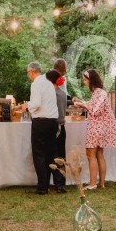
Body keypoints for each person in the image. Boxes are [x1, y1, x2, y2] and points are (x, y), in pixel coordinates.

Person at [73, 69, 116, 190]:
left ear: (91, 80)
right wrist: (81, 102)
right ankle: (101, 183)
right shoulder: (98, 93)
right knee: (99, 154)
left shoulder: (99, 93)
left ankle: (93, 183)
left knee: (91, 154)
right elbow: (93, 105)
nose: (84, 82)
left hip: (97, 127)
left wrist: (82, 105)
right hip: (100, 128)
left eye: (85, 79)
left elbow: (94, 110)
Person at [22, 61, 59, 194]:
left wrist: (27, 106)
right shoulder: (49, 82)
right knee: (52, 153)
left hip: (41, 121)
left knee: (39, 154)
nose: (28, 76)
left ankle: (43, 187)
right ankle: (58, 184)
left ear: (32, 71)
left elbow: (36, 103)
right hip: (53, 121)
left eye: (28, 73)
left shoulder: (36, 84)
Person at [48, 59, 69, 193]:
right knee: (61, 154)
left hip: (53, 124)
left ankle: (54, 182)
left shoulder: (51, 93)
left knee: (53, 153)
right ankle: (61, 183)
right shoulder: (62, 93)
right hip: (61, 125)